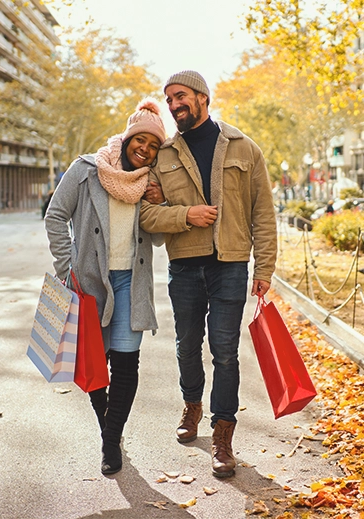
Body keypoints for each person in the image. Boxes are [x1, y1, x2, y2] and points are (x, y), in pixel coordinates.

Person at [140, 71, 277, 478]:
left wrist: (264, 267)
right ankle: (192, 405)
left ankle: (222, 434)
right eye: (168, 99)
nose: (173, 104)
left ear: (202, 97)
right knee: (186, 346)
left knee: (225, 352)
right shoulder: (162, 155)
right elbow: (147, 216)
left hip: (230, 266)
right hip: (183, 266)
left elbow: (263, 213)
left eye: (179, 96)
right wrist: (186, 215)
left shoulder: (244, 147)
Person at [44, 98, 166, 476]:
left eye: (153, 145)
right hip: (90, 283)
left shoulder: (151, 183)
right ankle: (108, 432)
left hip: (131, 280)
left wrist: (160, 203)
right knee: (98, 365)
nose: (144, 149)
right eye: (139, 140)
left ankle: (111, 441)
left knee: (127, 363)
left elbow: (158, 239)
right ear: (128, 137)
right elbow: (56, 215)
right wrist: (68, 268)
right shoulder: (86, 170)